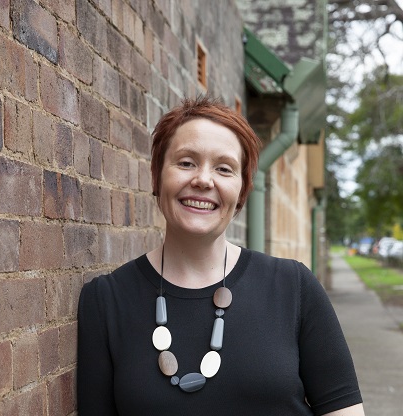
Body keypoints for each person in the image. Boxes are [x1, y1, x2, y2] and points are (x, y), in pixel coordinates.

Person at [77, 96, 365, 415]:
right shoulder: (105, 301)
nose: (203, 179)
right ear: (156, 176)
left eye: (224, 168)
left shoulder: (294, 287)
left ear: (242, 191)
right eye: (186, 162)